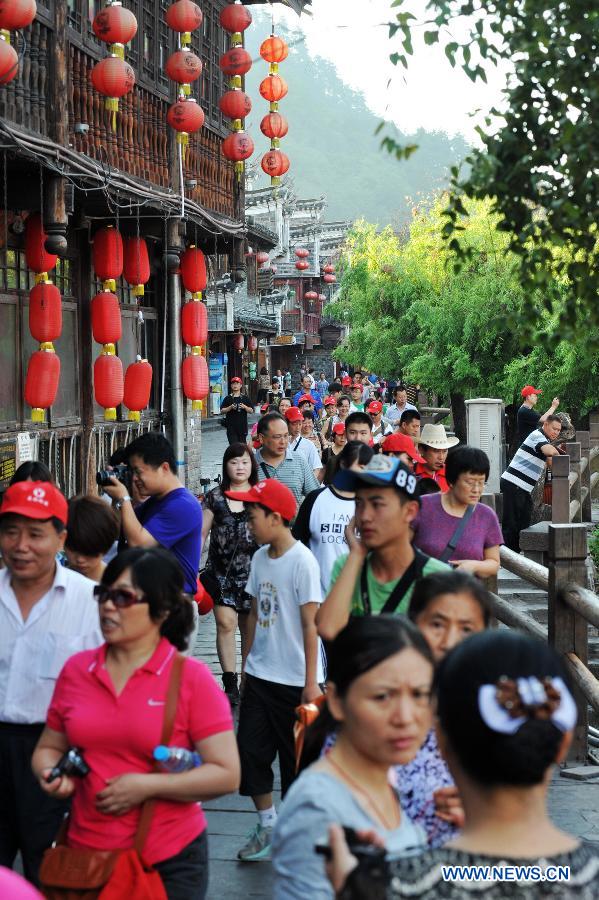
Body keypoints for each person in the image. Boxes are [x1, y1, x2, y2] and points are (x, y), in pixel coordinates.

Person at [326, 631, 599, 899]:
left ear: (441, 740)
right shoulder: (590, 875)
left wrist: (354, 886)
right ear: (563, 741)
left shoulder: (390, 885)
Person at [32, 548, 240, 900]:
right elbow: (49, 748)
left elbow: (227, 773)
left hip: (166, 858)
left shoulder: (190, 679)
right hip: (83, 855)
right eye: (104, 593)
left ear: (161, 610)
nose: (108, 606)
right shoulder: (78, 670)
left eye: (124, 597)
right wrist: (52, 774)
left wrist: (146, 786)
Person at [272, 617, 430, 899]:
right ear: (335, 700)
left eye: (419, 694)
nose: (406, 717)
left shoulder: (384, 779)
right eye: (383, 696)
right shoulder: (318, 808)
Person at [0, 480, 102, 885]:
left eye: (35, 534)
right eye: (11, 531)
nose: (21, 545)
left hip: (58, 754)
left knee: (53, 875)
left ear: (61, 537)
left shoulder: (92, 602)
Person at [229, 480, 324, 862]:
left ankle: (297, 832)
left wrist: (310, 683)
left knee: (296, 763)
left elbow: (311, 625)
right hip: (261, 676)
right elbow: (253, 615)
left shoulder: (302, 561)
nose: (248, 523)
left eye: (253, 516)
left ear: (275, 517)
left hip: (296, 681)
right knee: (251, 753)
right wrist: (246, 666)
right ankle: (267, 823)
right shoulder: (259, 558)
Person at [398, 570, 490, 847]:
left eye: (466, 629)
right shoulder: (380, 703)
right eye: (437, 624)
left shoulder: (496, 714)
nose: (450, 642)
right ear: (413, 624)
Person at [317, 457, 450, 641]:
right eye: (358, 503)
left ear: (409, 512)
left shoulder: (437, 578)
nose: (364, 516)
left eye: (377, 504)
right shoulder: (347, 567)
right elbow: (328, 628)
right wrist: (356, 555)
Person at [103, 432, 202, 596]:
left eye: (138, 471)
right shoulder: (156, 501)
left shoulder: (184, 505)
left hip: (171, 604)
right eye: (131, 472)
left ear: (164, 468)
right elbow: (119, 530)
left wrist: (124, 498)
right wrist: (118, 498)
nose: (134, 478)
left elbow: (138, 543)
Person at [201, 444, 259, 706]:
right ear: (226, 466)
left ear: (252, 466)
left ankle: (248, 678)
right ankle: (229, 680)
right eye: (234, 462)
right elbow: (201, 535)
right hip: (221, 573)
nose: (240, 467)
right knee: (226, 624)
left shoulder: (260, 496)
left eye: (245, 462)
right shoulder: (215, 497)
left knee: (249, 630)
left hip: (253, 575)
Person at [293, 442, 374, 597]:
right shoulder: (315, 499)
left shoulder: (372, 507)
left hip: (355, 601)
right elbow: (297, 546)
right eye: (362, 468)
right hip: (315, 598)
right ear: (343, 465)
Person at [412, 446, 503, 578]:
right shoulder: (422, 506)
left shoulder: (486, 516)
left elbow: (494, 562)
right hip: (421, 593)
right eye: (470, 482)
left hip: (465, 594)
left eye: (481, 482)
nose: (476, 489)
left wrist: (472, 566)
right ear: (452, 480)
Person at [500, 415, 562, 552]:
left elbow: (550, 462)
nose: (556, 432)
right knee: (511, 522)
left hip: (521, 486)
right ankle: (506, 556)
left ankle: (514, 553)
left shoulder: (544, 440)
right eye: (554, 429)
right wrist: (560, 456)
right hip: (514, 482)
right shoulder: (537, 435)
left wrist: (563, 477)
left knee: (524, 518)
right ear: (545, 424)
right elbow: (551, 452)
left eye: (559, 430)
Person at [254, 412, 320, 506]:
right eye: (277, 437)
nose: (283, 442)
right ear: (261, 438)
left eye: (285, 436)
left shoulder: (299, 460)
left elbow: (316, 497)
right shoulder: (250, 464)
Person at [64, 495, 120, 583]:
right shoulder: (51, 584)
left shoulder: (118, 586)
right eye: (73, 550)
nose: (80, 559)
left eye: (89, 551)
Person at [414, 424, 459, 493]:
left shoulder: (452, 474)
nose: (441, 457)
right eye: (436, 451)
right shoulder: (411, 474)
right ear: (421, 450)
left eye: (444, 451)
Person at [285, 407, 323, 479]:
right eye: (294, 424)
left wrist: (309, 486)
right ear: (286, 423)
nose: (298, 427)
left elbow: (317, 468)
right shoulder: (280, 443)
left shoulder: (309, 445)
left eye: (300, 424)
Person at [221, 377, 253, 445]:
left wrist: (245, 407)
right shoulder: (228, 398)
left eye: (237, 383)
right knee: (233, 447)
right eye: (233, 383)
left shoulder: (245, 398)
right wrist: (230, 407)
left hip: (242, 428)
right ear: (231, 385)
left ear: (241, 385)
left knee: (242, 448)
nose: (235, 385)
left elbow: (251, 410)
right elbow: (222, 410)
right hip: (231, 428)